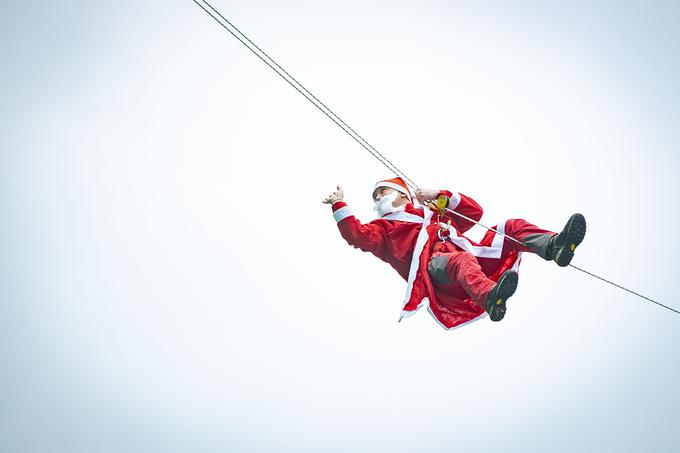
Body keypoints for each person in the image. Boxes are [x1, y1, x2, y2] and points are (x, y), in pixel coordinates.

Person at [323, 177, 586, 329]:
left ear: (404, 195)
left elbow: (474, 213)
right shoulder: (382, 229)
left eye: (383, 191)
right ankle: (491, 298)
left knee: (509, 227)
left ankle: (555, 246)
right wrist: (339, 204)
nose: (378, 198)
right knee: (461, 261)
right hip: (436, 269)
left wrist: (440, 196)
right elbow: (355, 235)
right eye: (376, 196)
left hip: (469, 257)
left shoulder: (432, 212)